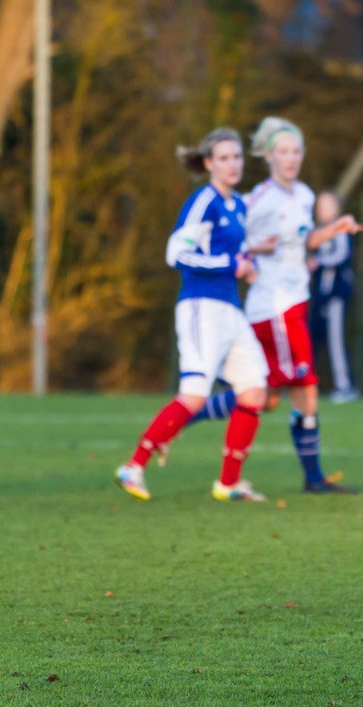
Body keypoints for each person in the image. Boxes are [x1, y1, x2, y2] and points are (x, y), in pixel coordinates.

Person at [191, 117, 363, 493]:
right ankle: (313, 478)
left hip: (292, 305)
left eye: (296, 151)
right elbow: (230, 240)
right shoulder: (258, 199)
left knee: (264, 397)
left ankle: (188, 411)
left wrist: (333, 230)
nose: (291, 158)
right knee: (305, 389)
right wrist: (251, 255)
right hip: (275, 309)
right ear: (269, 156)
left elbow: (301, 241)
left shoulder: (302, 195)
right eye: (283, 151)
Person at [114, 128, 269, 503]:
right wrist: (228, 263)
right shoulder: (205, 201)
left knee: (254, 392)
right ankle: (133, 465)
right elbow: (177, 253)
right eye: (224, 158)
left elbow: (232, 253)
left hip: (230, 308)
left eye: (237, 157)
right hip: (201, 307)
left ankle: (228, 483)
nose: (233, 164)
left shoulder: (238, 206)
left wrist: (247, 263)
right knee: (195, 395)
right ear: (208, 163)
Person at [309, 190, 360, 404]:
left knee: (336, 341)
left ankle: (345, 387)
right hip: (320, 296)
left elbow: (341, 256)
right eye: (319, 206)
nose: (322, 210)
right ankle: (305, 385)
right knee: (312, 339)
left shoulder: (340, 230)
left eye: (327, 205)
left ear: (336, 208)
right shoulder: (317, 232)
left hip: (336, 296)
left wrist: (318, 262)